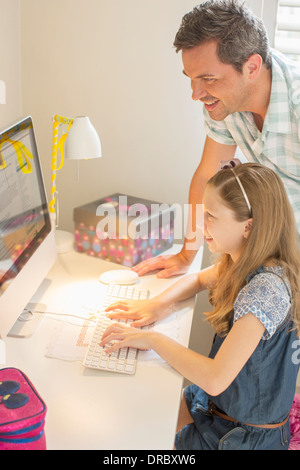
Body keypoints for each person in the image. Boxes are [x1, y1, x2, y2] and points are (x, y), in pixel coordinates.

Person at [101, 162, 300, 450]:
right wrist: (160, 304)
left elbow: (216, 378)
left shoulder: (265, 290)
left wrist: (153, 338)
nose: (200, 226)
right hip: (219, 409)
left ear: (248, 226)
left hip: (243, 437)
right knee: (139, 412)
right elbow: (197, 279)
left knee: (132, 435)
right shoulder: (247, 260)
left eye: (210, 216)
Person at [132, 0, 300, 279]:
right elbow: (207, 175)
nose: (196, 94)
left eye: (208, 78)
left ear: (252, 67)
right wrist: (188, 254)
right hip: (280, 250)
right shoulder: (223, 104)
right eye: (191, 78)